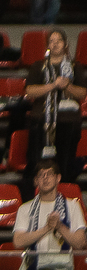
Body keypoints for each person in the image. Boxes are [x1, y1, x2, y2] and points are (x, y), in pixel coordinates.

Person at [23, 30, 85, 190]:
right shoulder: (38, 66)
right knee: (38, 163)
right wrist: (53, 85)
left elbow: (82, 93)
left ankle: (64, 193)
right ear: (48, 45)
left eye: (59, 40)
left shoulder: (75, 66)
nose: (55, 43)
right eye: (52, 41)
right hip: (41, 120)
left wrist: (67, 86)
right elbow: (30, 91)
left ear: (65, 44)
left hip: (68, 122)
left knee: (65, 164)